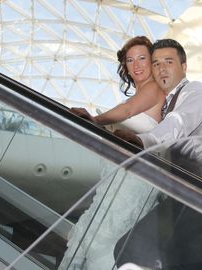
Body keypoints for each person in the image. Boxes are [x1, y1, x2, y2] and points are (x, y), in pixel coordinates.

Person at [112, 39, 202, 270]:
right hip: (182, 195)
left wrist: (141, 140)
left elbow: (178, 124)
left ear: (183, 66)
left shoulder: (196, 91)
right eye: (156, 63)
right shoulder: (167, 104)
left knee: (132, 247)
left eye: (168, 61)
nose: (161, 68)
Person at [59, 36, 166, 270]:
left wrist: (95, 120)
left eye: (142, 58)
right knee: (94, 236)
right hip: (119, 180)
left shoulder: (155, 89)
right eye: (130, 60)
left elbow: (128, 110)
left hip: (135, 181)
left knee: (105, 239)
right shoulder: (142, 95)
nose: (136, 65)